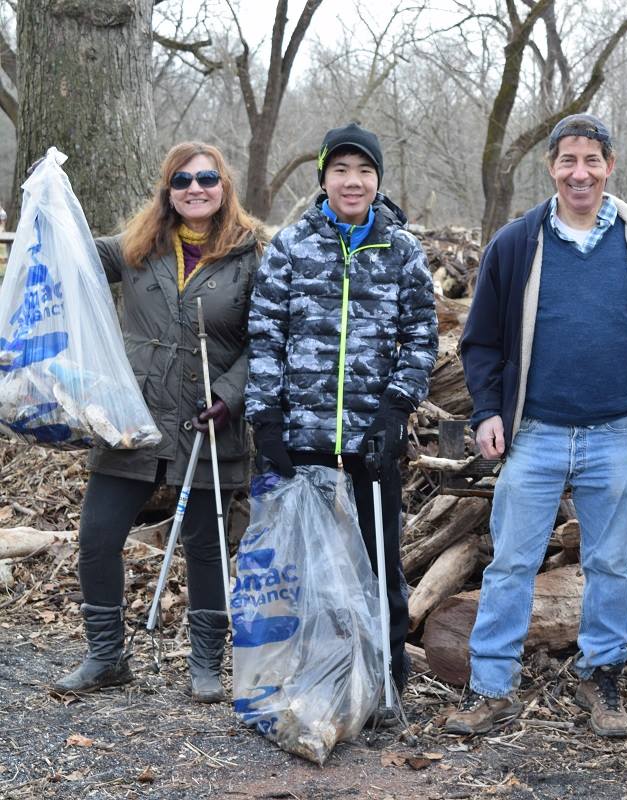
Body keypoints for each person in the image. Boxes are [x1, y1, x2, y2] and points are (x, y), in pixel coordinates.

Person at [450, 113, 627, 738]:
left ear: (610, 165)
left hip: (613, 434)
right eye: (567, 162)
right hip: (534, 433)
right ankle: (492, 688)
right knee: (511, 564)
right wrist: (488, 410)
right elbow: (481, 342)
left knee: (610, 564)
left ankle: (601, 679)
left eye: (592, 161)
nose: (580, 173)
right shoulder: (517, 243)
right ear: (551, 167)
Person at [51, 142, 264, 702]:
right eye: (182, 180)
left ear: (224, 186)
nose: (195, 188)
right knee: (97, 536)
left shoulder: (252, 253)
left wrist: (229, 395)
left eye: (206, 179)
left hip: (208, 421)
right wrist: (46, 197)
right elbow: (66, 252)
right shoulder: (135, 246)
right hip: (133, 419)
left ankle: (206, 666)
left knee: (206, 545)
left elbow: (269, 340)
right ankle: (105, 657)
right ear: (167, 191)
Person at [244, 123, 438, 710]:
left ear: (378, 180)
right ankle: (309, 683)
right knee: (306, 567)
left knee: (379, 564)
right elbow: (265, 334)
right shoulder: (290, 246)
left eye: (364, 171)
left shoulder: (400, 249)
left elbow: (421, 335)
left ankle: (384, 683)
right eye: (341, 170)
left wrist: (394, 409)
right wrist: (266, 419)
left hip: (371, 440)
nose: (352, 182)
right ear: (323, 177)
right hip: (301, 439)